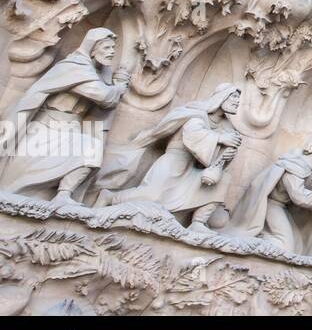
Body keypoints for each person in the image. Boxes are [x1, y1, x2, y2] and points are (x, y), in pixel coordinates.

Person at [0, 29, 129, 203]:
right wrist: (119, 87)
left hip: (70, 129)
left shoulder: (93, 73)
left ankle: (63, 195)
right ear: (92, 48)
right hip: (47, 127)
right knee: (89, 147)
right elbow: (104, 97)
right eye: (106, 47)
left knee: (91, 149)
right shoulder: (74, 68)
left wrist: (111, 82)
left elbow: (105, 98)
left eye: (113, 48)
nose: (112, 52)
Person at [95, 83, 244, 230]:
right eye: (234, 97)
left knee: (223, 179)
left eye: (239, 98)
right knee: (150, 196)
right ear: (221, 97)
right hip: (175, 161)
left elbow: (217, 158)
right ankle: (109, 197)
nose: (237, 101)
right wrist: (220, 139)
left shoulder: (226, 126)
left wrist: (227, 153)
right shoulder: (197, 113)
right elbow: (193, 134)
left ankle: (198, 222)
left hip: (193, 169)